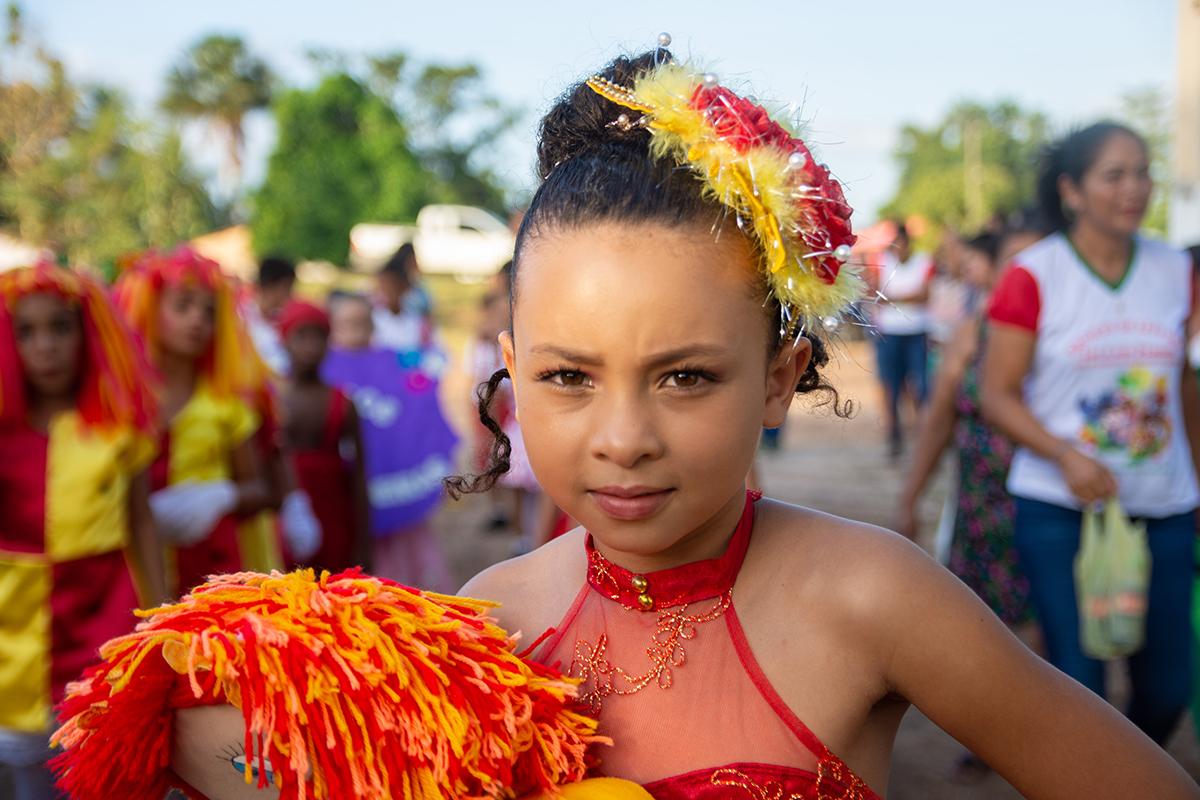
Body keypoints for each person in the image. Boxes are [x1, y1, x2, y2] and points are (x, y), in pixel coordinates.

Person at [456, 50, 1196, 798]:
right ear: (514, 370)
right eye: (568, 377)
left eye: (686, 377)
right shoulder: (485, 625)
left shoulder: (875, 596)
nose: (623, 438)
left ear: (778, 380)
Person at [982, 121, 1200, 746]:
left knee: (1167, 686)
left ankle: (1125, 771)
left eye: (1143, 172)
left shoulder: (1174, 269)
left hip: (1163, 507)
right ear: (1072, 190)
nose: (1135, 188)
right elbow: (998, 394)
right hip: (1060, 509)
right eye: (1115, 175)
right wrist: (1064, 456)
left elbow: (1180, 381)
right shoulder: (1033, 275)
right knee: (1081, 686)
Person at [0, 262, 163, 800]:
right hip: (13, 630)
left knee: (97, 766)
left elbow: (142, 521)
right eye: (26, 331)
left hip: (104, 616)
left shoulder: (117, 425)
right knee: (27, 773)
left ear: (87, 334)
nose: (44, 346)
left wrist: (162, 613)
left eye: (60, 328)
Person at [114, 247, 279, 596]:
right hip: (133, 575)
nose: (197, 321)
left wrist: (220, 496)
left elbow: (262, 488)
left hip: (215, 577)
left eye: (209, 311)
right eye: (182, 306)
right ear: (150, 308)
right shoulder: (122, 401)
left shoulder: (226, 402)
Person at [323, 292, 458, 592]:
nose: (355, 330)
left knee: (407, 572)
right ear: (330, 326)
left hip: (401, 499)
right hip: (346, 499)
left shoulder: (398, 362)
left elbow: (424, 404)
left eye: (362, 322)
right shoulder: (321, 369)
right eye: (346, 323)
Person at [276, 299, 370, 573]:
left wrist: (364, 543)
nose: (310, 347)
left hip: (334, 515)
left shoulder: (343, 402)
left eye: (319, 337)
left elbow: (359, 477)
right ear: (284, 340)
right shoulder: (271, 398)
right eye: (301, 336)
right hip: (284, 513)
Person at [244, 255, 296, 377]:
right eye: (287, 287)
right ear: (271, 286)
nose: (290, 295)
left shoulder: (285, 321)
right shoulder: (242, 319)